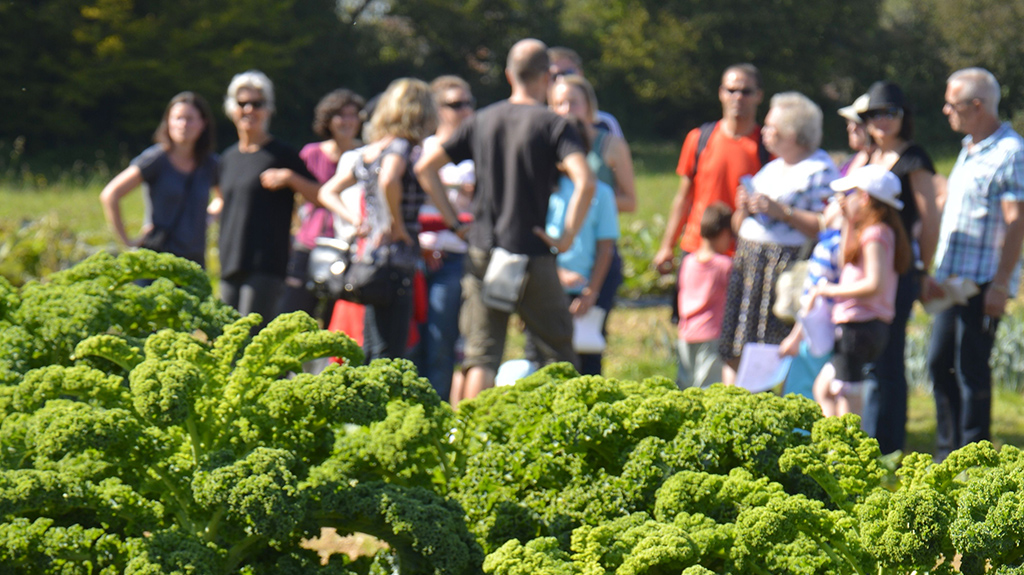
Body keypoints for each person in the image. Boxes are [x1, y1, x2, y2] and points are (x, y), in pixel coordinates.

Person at [415, 38, 595, 407]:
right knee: (557, 350)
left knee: (482, 354)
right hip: (532, 252)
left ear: (508, 74)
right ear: (547, 76)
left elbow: (425, 169)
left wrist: (455, 224)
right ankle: (565, 438)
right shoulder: (554, 124)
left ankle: (470, 442)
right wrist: (566, 237)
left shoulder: (481, 120)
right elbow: (586, 180)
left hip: (483, 248)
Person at [925, 67, 1024, 461]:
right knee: (938, 363)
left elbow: (1017, 223)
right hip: (952, 279)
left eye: (954, 103)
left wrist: (1001, 285)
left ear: (977, 106)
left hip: (983, 282)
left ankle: (973, 457)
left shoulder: (1010, 153)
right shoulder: (969, 146)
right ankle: (945, 453)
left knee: (970, 370)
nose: (947, 110)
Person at [319, 78, 455, 362]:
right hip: (396, 259)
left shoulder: (370, 150)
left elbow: (327, 191)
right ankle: (381, 404)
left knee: (371, 344)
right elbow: (390, 178)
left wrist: (359, 220)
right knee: (388, 350)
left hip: (370, 257)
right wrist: (396, 224)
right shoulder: (401, 147)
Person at [720, 92, 838, 385]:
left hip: (784, 272)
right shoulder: (771, 168)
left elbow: (827, 227)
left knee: (776, 352)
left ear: (794, 134)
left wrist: (782, 212)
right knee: (738, 346)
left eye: (772, 128)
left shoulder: (819, 171)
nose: (764, 132)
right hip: (750, 269)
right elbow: (739, 225)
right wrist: (743, 209)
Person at [856, 80, 941, 454]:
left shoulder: (914, 158)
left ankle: (887, 444)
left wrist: (923, 268)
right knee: (868, 357)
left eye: (889, 113)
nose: (881, 121)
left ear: (902, 117)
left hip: (900, 270)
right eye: (874, 114)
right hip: (866, 269)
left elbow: (930, 217)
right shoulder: (866, 157)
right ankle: (870, 434)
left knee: (888, 359)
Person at [217, 70, 320, 326]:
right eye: (242, 104)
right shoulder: (227, 158)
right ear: (232, 109)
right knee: (224, 340)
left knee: (253, 342)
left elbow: (320, 196)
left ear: (268, 109)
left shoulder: (281, 154)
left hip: (265, 264)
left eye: (257, 104)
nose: (249, 110)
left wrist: (290, 178)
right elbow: (223, 202)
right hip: (230, 261)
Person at [548, 73, 636, 374]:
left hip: (597, 252)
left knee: (588, 346)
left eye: (572, 101)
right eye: (558, 102)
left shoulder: (609, 145)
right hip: (557, 263)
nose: (565, 108)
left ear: (589, 105)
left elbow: (631, 201)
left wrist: (591, 200)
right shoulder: (546, 145)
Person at [812, 165, 911, 418]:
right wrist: (848, 220)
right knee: (824, 389)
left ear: (864, 197)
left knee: (847, 400)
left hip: (861, 326)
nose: (842, 201)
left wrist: (832, 290)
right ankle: (836, 446)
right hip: (858, 326)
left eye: (848, 195)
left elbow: (874, 284)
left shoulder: (876, 233)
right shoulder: (872, 231)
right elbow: (847, 261)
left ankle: (846, 450)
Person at [523, 118, 619, 376]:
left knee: (586, 365)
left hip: (584, 293)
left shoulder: (602, 193)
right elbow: (531, 242)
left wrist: (591, 292)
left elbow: (606, 248)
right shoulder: (541, 192)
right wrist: (556, 275)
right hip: (544, 287)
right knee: (540, 361)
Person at [409, 75, 477, 399]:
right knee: (412, 342)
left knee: (441, 342)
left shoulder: (477, 154)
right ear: (437, 108)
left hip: (455, 256)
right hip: (417, 255)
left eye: (468, 103)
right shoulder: (422, 151)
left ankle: (436, 414)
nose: (465, 111)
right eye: (455, 105)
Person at [100, 91, 218, 266]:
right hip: (156, 257)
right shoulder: (156, 160)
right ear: (168, 122)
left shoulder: (210, 164)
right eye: (178, 118)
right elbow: (110, 194)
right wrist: (127, 240)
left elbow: (223, 197)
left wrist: (209, 217)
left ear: (203, 123)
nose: (183, 124)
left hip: (193, 258)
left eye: (190, 118)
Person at [277, 88, 365, 323]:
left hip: (347, 244)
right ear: (328, 119)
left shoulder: (365, 155)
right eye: (340, 115)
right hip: (310, 242)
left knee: (335, 318)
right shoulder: (312, 153)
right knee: (295, 312)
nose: (347, 121)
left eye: (352, 115)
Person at [778, 198, 844, 399]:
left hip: (815, 333)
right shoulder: (847, 243)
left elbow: (811, 301)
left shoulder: (828, 247)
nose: (826, 206)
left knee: (801, 392)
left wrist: (795, 338)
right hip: (837, 332)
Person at [676, 202, 733, 389]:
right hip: (711, 334)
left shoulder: (688, 261)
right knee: (708, 387)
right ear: (724, 233)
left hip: (686, 331)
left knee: (686, 385)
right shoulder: (724, 265)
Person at [547, 46, 624, 138]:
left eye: (568, 73)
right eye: (554, 75)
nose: (561, 79)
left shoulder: (604, 123)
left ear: (580, 74)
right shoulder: (540, 123)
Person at [836, 93, 874, 176]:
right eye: (849, 121)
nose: (851, 128)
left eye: (858, 123)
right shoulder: (849, 162)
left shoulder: (880, 166)